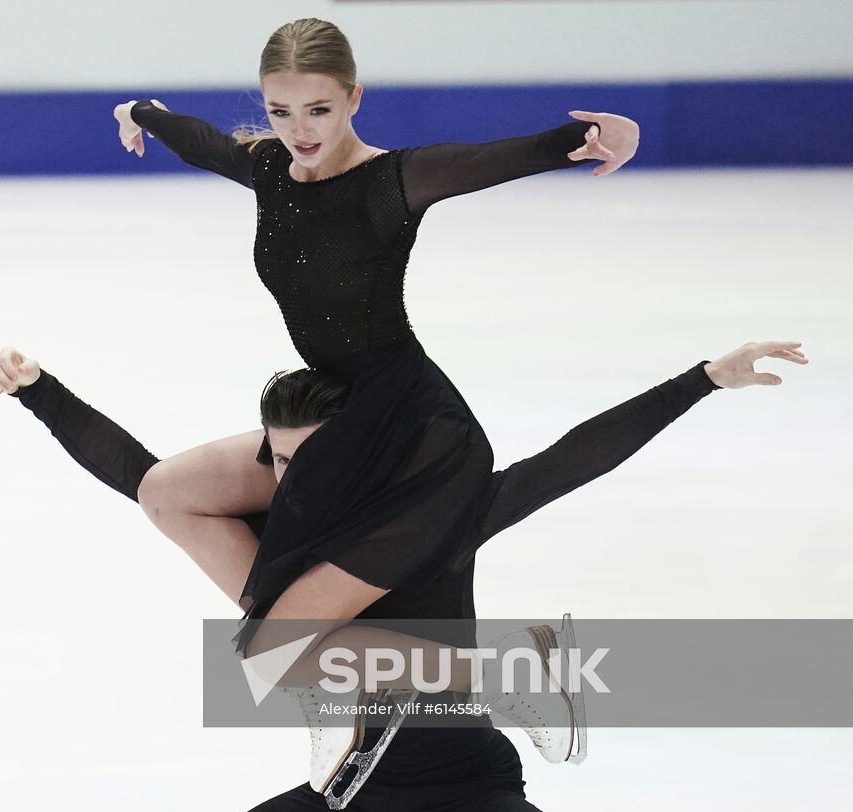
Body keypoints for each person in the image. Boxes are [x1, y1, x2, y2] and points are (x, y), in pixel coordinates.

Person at [0, 339, 806, 812]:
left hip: (463, 791)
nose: (297, 480)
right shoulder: (275, 539)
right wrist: (41, 393)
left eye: (316, 459)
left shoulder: (437, 515)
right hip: (348, 798)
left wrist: (701, 379)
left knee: (276, 646)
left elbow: (565, 464)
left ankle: (515, 669)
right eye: (282, 460)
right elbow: (143, 479)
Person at [101, 18, 647, 672]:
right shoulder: (270, 168)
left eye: (319, 109)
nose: (299, 130)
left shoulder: (391, 182)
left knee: (278, 649)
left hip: (411, 428)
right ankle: (308, 636)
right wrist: (142, 113)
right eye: (280, 111)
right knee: (167, 493)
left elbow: (493, 158)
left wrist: (593, 137)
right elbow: (205, 144)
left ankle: (501, 666)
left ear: (353, 98)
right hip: (336, 414)